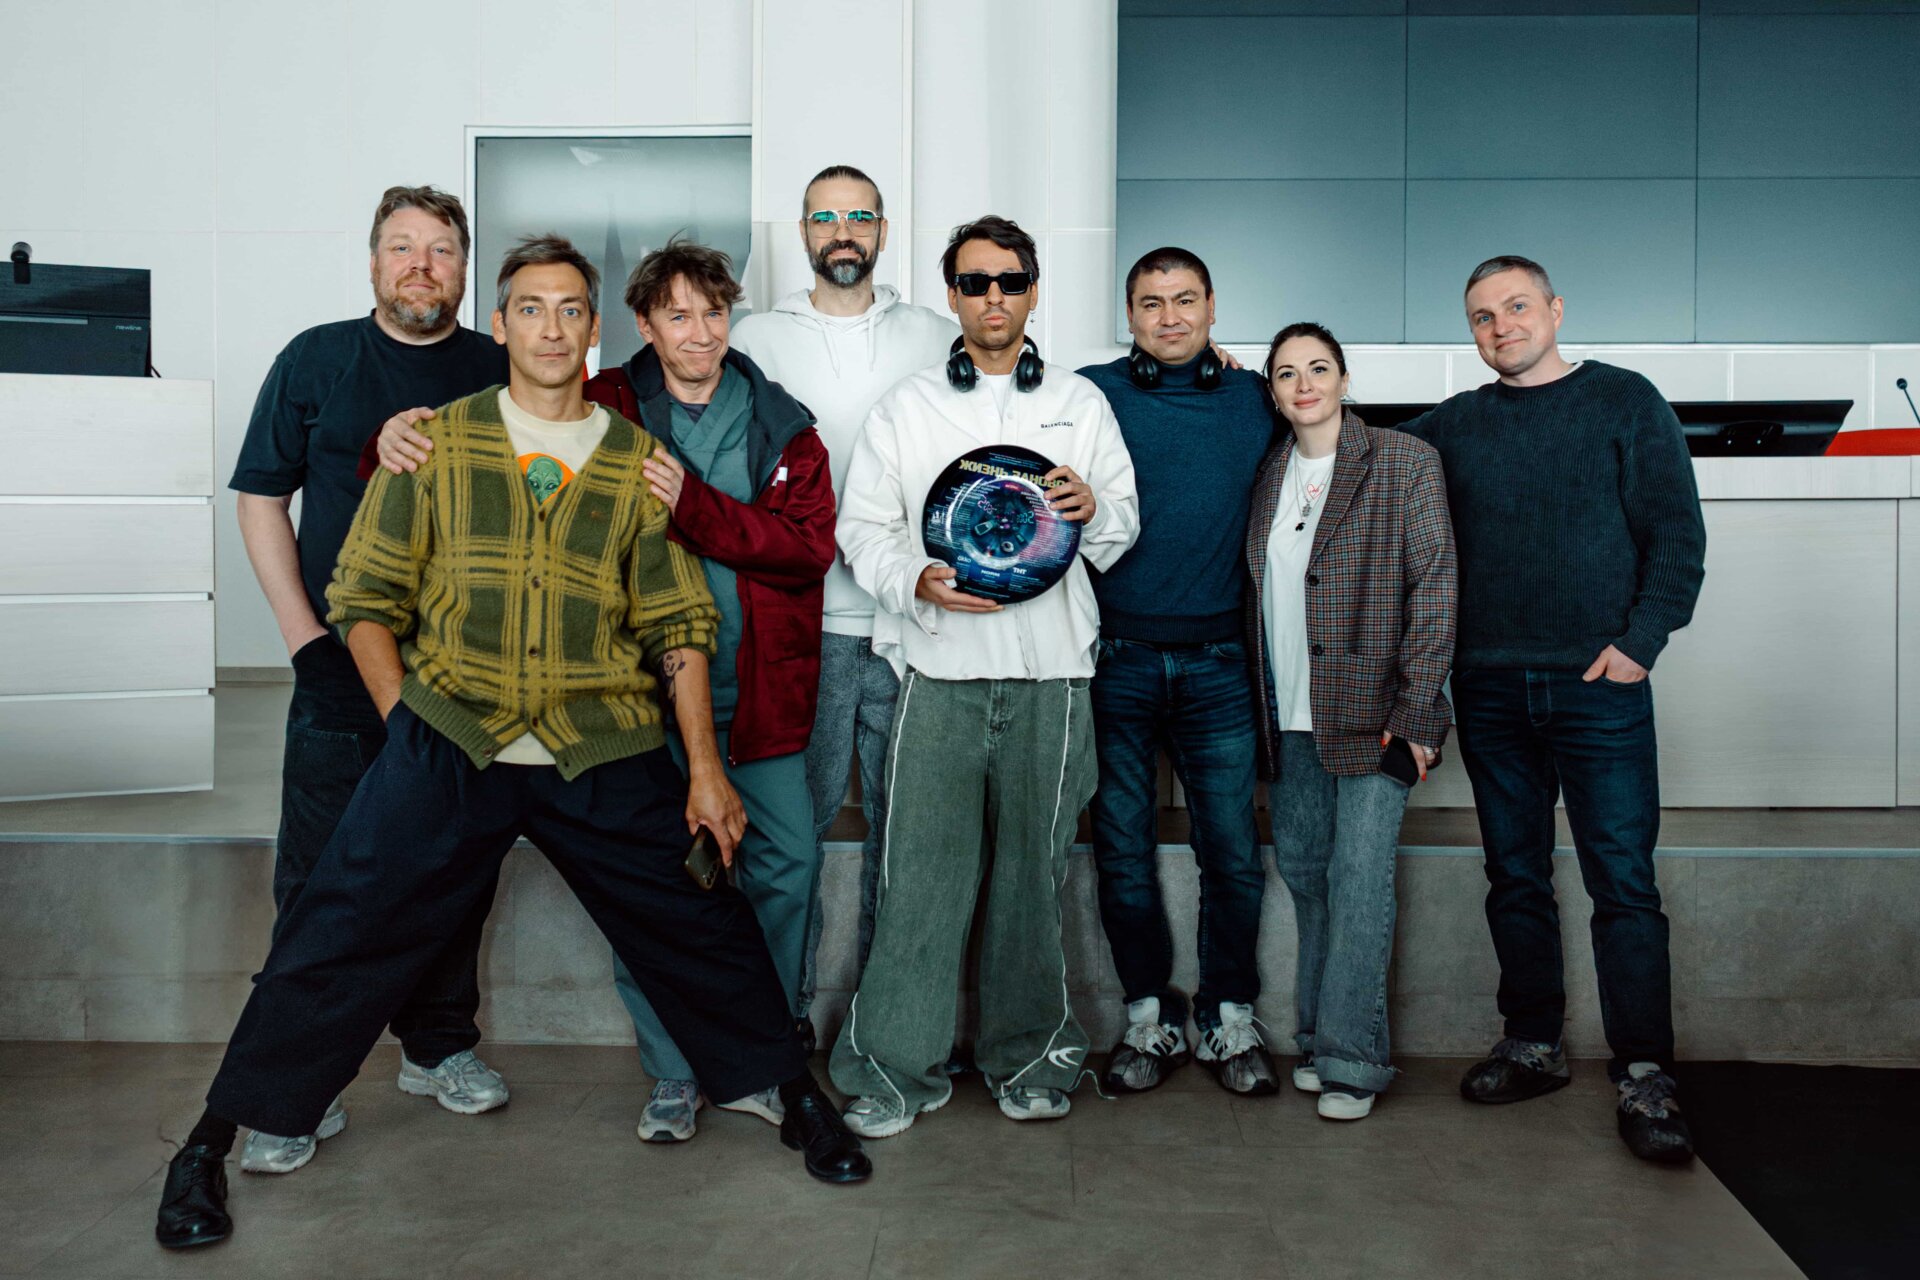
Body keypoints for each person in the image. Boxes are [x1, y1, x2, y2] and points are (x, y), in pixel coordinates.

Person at [156, 235, 867, 1251]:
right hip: (455, 736)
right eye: (531, 308)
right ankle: (210, 1141)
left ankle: (793, 1093)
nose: (551, 326)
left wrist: (706, 770)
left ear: (594, 330)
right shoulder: (436, 444)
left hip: (600, 739)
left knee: (702, 919)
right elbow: (365, 593)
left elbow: (677, 621)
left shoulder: (633, 462)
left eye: (570, 309)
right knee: (335, 926)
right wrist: (407, 718)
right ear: (500, 326)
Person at [828, 216, 1139, 1135]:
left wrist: (1093, 506)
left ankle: (1031, 1059)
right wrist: (913, 579)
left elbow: (1121, 525)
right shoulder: (908, 406)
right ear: (952, 296)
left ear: (1033, 290)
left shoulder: (1081, 402)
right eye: (974, 283)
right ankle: (892, 1070)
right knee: (920, 882)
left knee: (1031, 883)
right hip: (938, 668)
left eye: (1009, 281)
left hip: (1054, 675)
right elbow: (863, 530)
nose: (993, 297)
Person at [226, 185, 510, 1173]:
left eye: (441, 249)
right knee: (318, 880)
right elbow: (261, 499)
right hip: (341, 668)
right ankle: (294, 1087)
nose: (421, 265)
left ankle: (437, 1047)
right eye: (402, 247)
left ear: (465, 266)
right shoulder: (315, 359)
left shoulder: (497, 366)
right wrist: (303, 637)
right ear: (374, 262)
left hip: (463, 673)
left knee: (453, 866)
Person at [1398, 255, 1707, 1163]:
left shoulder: (1625, 401)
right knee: (1516, 875)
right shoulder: (1456, 425)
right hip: (1490, 687)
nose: (1502, 326)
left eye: (1517, 306)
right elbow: (1349, 441)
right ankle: (1532, 1043)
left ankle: (1644, 1071)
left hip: (1598, 686)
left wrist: (1639, 644)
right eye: (1482, 316)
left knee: (1624, 884)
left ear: (1556, 309)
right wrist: (1258, 388)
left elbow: (1677, 537)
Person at [578, 237, 836, 1143]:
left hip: (759, 693)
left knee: (785, 867)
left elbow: (806, 550)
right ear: (643, 324)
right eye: (678, 315)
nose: (700, 332)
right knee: (657, 884)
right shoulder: (603, 406)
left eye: (714, 312)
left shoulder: (784, 424)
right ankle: (674, 1069)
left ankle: (759, 1052)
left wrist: (692, 504)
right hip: (638, 697)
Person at [728, 164, 958, 1036]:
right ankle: (777, 1019)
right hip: (802, 628)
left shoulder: (936, 334)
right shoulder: (754, 338)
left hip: (912, 627)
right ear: (803, 233)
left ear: (884, 231)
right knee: (793, 837)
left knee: (906, 842)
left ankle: (886, 1022)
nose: (843, 232)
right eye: (825, 218)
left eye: (859, 216)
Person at [1076, 248, 1277, 1096]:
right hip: (1113, 658)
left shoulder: (1256, 397)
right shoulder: (1088, 393)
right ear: (1129, 314)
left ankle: (1231, 1017)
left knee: (1230, 849)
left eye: (1185, 299)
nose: (1169, 317)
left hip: (1220, 663)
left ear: (1212, 306)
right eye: (1151, 303)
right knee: (1121, 850)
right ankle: (1146, 1018)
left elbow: (1339, 436)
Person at [1246, 322, 1456, 1121]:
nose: (1304, 385)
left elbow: (1436, 588)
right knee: (1308, 877)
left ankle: (1353, 1059)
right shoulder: (1269, 473)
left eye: (1318, 368)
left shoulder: (1404, 461)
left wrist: (1417, 709)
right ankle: (1315, 1038)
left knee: (1360, 882)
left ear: (1343, 379)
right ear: (1271, 391)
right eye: (1286, 373)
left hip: (1379, 716)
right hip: (1290, 715)